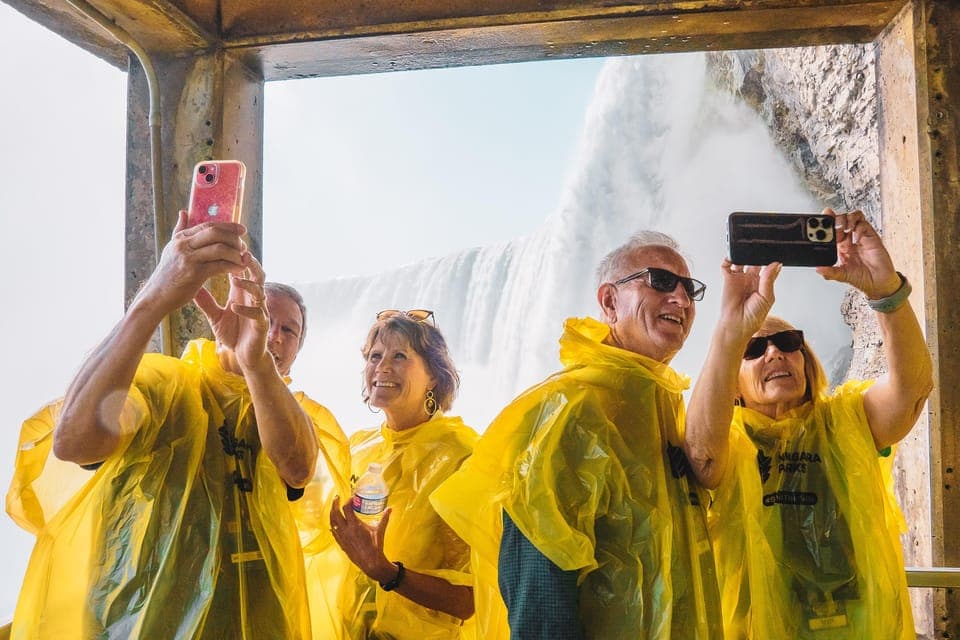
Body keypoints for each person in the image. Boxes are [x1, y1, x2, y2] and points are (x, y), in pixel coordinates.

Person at [6, 211, 347, 639]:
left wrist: (256, 361)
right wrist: (155, 297)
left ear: (299, 347)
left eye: (289, 330)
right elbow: (75, 440)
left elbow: (296, 468)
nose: (275, 334)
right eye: (263, 317)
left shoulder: (296, 415)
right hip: (146, 624)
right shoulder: (164, 388)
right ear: (227, 312)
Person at [431, 231, 723, 639]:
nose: (681, 299)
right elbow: (539, 588)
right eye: (660, 281)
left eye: (689, 288)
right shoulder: (568, 408)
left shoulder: (666, 409)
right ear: (609, 302)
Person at [685, 208, 932, 639]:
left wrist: (886, 292)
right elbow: (702, 457)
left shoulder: (845, 420)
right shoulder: (728, 435)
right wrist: (730, 330)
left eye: (787, 342)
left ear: (805, 357)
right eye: (754, 349)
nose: (774, 354)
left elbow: (911, 390)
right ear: (735, 384)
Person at [300, 310, 478, 639]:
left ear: (435, 377)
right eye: (375, 356)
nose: (382, 367)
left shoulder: (461, 457)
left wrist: (386, 572)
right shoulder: (357, 448)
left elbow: (469, 599)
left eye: (399, 356)